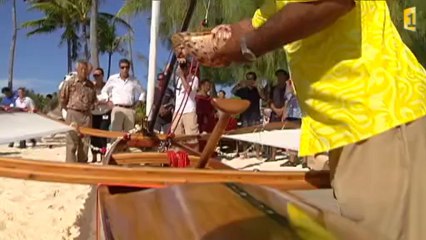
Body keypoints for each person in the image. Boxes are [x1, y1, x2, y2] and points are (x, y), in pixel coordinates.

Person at [203, 1, 426, 239]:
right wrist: (209, 43)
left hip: (380, 115)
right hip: (355, 127)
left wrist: (250, 47)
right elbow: (253, 25)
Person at [60, 60, 97, 163]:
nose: (84, 71)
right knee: (72, 142)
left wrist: (93, 106)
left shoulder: (90, 85)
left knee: (85, 143)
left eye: (86, 69)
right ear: (77, 69)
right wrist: (69, 111)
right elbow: (63, 98)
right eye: (81, 69)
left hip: (86, 116)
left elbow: (94, 100)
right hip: (73, 114)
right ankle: (71, 167)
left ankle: (82, 165)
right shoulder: (70, 82)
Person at [100, 59, 146, 132]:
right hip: (117, 109)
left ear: (129, 68)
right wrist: (107, 100)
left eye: (127, 67)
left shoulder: (134, 80)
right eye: (122, 67)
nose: (125, 69)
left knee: (129, 133)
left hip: (130, 110)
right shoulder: (113, 79)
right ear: (119, 68)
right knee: (115, 133)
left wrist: (140, 101)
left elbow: (143, 92)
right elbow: (104, 91)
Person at [171, 59, 199, 138]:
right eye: (181, 67)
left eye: (185, 67)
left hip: (189, 111)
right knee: (176, 137)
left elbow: (188, 90)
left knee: (191, 137)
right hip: (178, 111)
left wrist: (182, 76)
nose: (183, 69)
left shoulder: (194, 79)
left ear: (189, 67)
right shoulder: (178, 79)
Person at [90, 67, 111, 163]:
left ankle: (103, 155)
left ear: (102, 76)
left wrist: (100, 102)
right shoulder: (91, 86)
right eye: (94, 75)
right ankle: (94, 155)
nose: (96, 77)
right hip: (94, 113)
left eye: (98, 75)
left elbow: (111, 101)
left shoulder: (108, 86)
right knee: (93, 135)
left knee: (103, 134)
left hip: (105, 113)